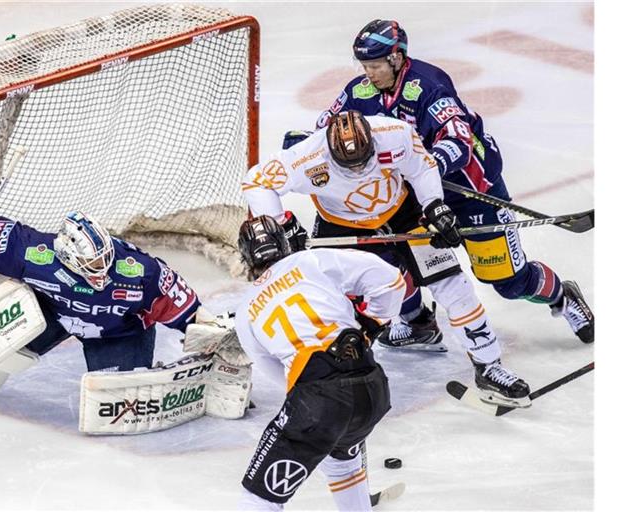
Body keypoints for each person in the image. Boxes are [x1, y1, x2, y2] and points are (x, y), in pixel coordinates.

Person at [283, 19, 594, 345]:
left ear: (397, 58)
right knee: (382, 260)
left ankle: (562, 296)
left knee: (507, 282)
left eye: (375, 65)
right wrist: (305, 145)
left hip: (471, 192)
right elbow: (329, 130)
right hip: (412, 196)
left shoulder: (428, 85)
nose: (369, 73)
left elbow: (458, 139)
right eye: (364, 65)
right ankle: (417, 322)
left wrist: (425, 167)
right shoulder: (359, 90)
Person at [243, 109, 530, 407]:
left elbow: (422, 166)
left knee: (453, 286)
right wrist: (283, 223)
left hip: (403, 213)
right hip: (341, 225)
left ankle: (489, 365)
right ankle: (344, 378)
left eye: (362, 162)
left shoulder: (393, 134)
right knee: (341, 307)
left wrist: (434, 206)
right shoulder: (306, 157)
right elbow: (256, 182)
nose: (356, 172)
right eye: (347, 165)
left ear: (372, 143)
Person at [234, 215, 404, 511]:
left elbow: (275, 371)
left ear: (246, 257)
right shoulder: (310, 261)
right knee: (344, 466)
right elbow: (391, 280)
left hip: (318, 398)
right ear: (284, 243)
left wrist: (312, 398)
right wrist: (372, 323)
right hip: (373, 386)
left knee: (259, 497)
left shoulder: (245, 308)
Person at [0, 210, 201, 372]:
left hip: (117, 332)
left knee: (114, 401)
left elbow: (184, 308)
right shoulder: (35, 255)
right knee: (0, 357)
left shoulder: (140, 271)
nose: (102, 271)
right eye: (93, 265)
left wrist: (203, 332)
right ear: (67, 258)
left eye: (105, 259)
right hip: (52, 315)